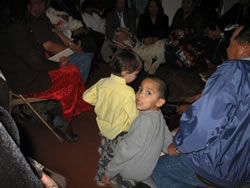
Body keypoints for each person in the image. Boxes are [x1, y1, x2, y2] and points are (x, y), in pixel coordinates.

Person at [151, 25, 250, 188]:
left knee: (155, 170)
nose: (227, 49)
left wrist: (178, 145)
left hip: (217, 167)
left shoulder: (234, 69)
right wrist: (206, 95)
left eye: (231, 44)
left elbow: (205, 124)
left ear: (245, 47)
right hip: (245, 172)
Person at [0, 0, 92, 142]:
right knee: (71, 73)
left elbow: (34, 58)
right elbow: (35, 61)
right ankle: (63, 120)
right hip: (27, 80)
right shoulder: (16, 28)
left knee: (71, 69)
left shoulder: (14, 25)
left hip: (28, 73)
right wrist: (58, 66)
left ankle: (60, 112)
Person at [83, 49, 142, 186]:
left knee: (106, 138)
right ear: (125, 73)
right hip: (118, 131)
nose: (136, 76)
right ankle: (100, 177)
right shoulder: (128, 92)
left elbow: (86, 97)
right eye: (135, 74)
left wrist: (101, 104)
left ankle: (104, 145)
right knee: (110, 157)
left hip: (103, 124)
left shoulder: (103, 81)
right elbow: (134, 116)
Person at [101, 76, 173, 188]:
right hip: (146, 169)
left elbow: (127, 151)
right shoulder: (158, 113)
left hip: (131, 171)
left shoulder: (144, 122)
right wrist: (169, 146)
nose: (140, 95)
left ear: (159, 102)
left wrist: (109, 173)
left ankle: (127, 180)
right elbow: (165, 133)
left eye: (148, 93)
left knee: (118, 140)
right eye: (140, 89)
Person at [27, 0, 93, 83]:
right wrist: (71, 50)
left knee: (87, 54)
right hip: (52, 57)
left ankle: (76, 84)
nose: (47, 5)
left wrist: (72, 45)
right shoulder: (32, 21)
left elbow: (56, 31)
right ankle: (77, 87)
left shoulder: (42, 17)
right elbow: (48, 46)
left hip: (61, 51)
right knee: (85, 58)